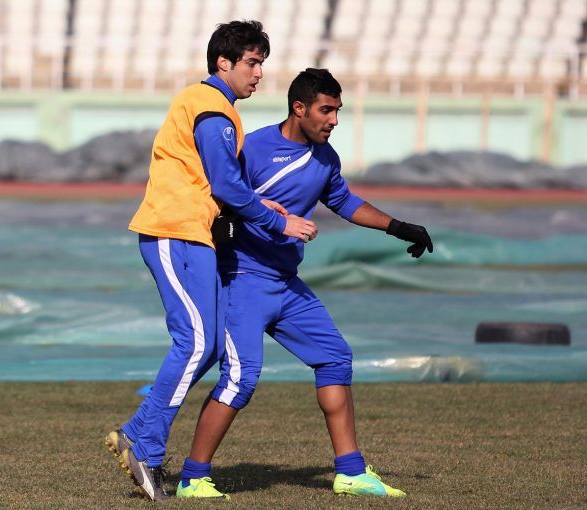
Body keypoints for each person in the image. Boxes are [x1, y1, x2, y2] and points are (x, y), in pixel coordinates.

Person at [174, 68, 433, 500]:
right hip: (242, 280)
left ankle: (350, 473)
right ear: (299, 108)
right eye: (326, 110)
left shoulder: (326, 158)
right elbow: (218, 196)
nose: (334, 120)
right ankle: (192, 478)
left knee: (335, 358)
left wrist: (398, 226)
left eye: (338, 111)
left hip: (286, 284)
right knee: (241, 380)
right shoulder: (252, 147)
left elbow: (344, 201)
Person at [103, 21, 316, 501]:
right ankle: (147, 450)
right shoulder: (212, 107)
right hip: (174, 232)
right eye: (252, 62)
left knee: (212, 344)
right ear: (224, 62)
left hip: (193, 234)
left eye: (261, 63)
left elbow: (220, 185)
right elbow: (224, 184)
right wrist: (278, 222)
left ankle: (135, 432)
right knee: (196, 341)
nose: (259, 73)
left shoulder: (215, 108)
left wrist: (260, 206)